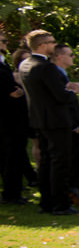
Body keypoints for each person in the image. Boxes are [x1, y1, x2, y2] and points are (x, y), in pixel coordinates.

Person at [17, 31, 79, 216]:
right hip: (56, 120)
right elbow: (60, 96)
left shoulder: (25, 64)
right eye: (51, 42)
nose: (54, 45)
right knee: (60, 162)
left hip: (38, 119)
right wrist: (73, 91)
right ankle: (60, 204)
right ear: (42, 45)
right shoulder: (46, 67)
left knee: (45, 162)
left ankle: (46, 201)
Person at [48, 45, 79, 204]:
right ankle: (74, 189)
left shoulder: (62, 74)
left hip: (71, 122)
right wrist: (74, 124)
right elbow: (62, 102)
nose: (73, 57)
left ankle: (74, 190)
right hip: (68, 124)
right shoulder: (55, 74)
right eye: (71, 54)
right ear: (60, 57)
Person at [0, 29, 31, 206]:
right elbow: (10, 90)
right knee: (11, 155)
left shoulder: (3, 64)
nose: (5, 45)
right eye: (2, 42)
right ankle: (11, 194)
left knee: (14, 155)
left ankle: (14, 190)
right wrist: (13, 90)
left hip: (13, 118)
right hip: (7, 119)